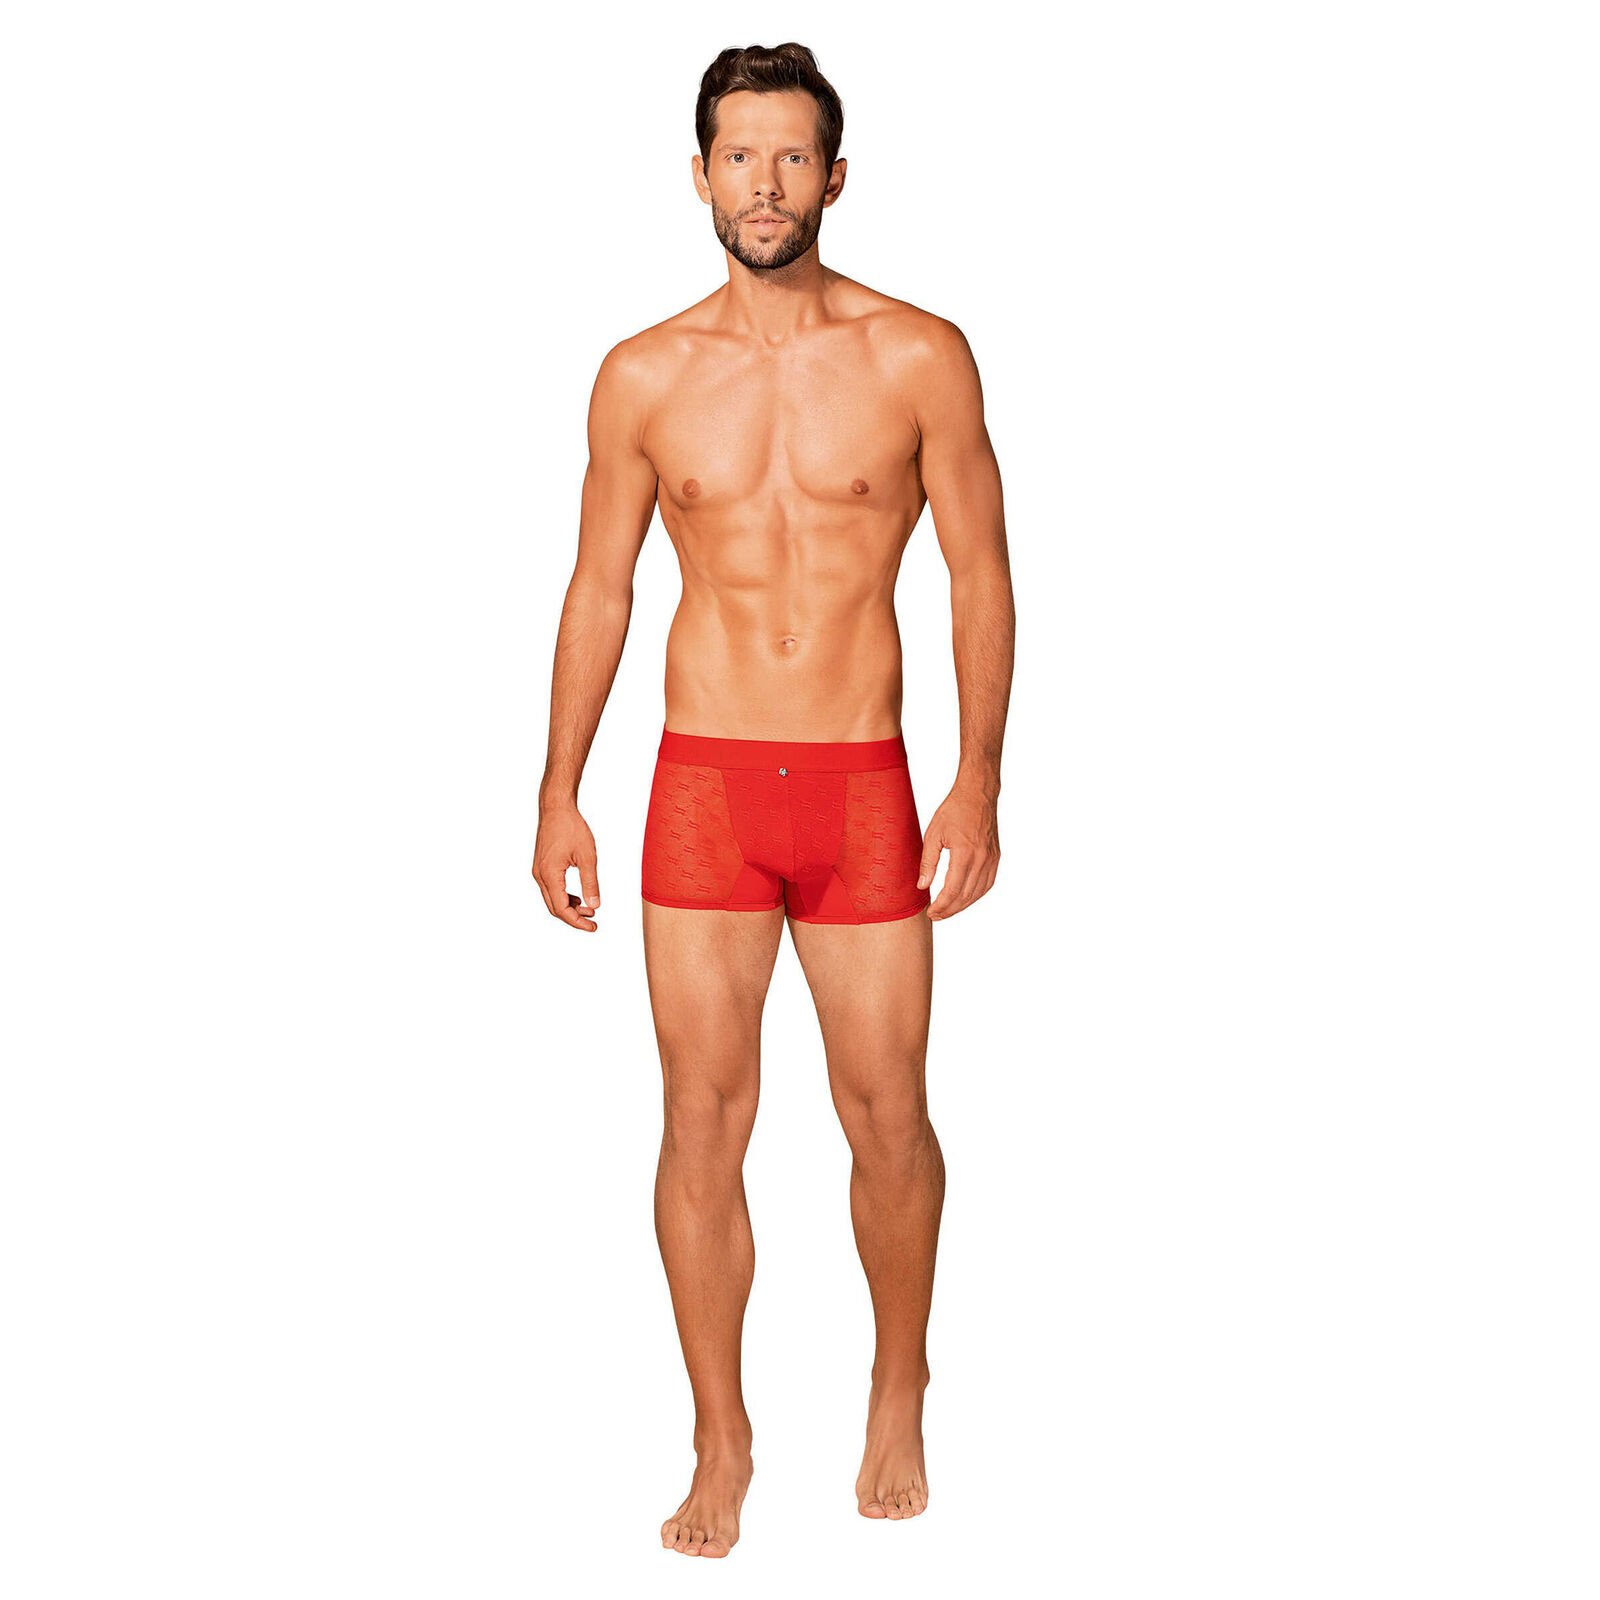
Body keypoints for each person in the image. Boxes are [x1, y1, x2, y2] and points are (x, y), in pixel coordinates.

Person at [532, 42, 1014, 1558]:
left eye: (792, 157)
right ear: (700, 176)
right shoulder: (643, 375)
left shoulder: (920, 355)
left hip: (864, 786)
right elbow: (601, 588)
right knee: (700, 1120)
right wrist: (558, 791)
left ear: (835, 177)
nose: (765, 184)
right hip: (705, 789)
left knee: (888, 1115)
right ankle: (720, 1435)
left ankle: (898, 1381)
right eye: (739, 157)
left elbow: (981, 576)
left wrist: (978, 776)